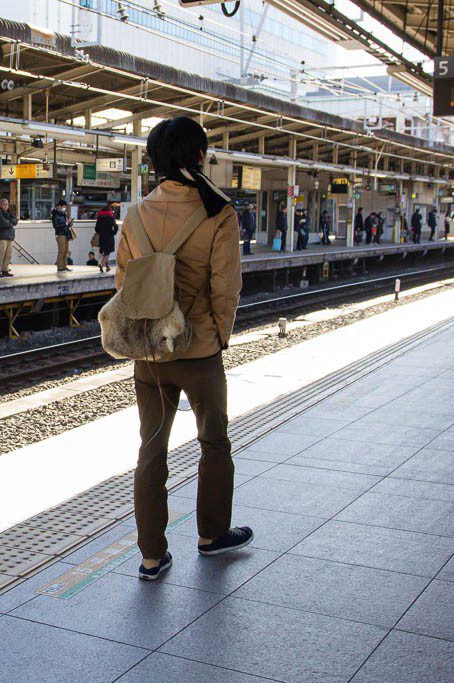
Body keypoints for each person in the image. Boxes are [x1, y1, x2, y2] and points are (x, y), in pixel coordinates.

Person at [114, 116, 249, 580]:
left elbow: (124, 284)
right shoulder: (219, 211)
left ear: (154, 159)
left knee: (151, 450)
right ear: (198, 156)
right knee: (214, 442)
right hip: (200, 352)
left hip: (150, 354)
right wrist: (219, 337)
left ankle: (152, 557)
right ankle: (212, 536)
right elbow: (225, 288)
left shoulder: (135, 214)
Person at [94, 203, 119, 271]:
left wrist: (100, 232)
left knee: (103, 250)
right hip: (109, 236)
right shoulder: (111, 217)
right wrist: (114, 233)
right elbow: (116, 226)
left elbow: (96, 228)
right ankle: (102, 264)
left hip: (102, 237)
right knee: (108, 251)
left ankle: (107, 266)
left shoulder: (100, 218)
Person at [51, 200, 73, 272]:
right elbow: (56, 225)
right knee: (61, 251)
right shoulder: (55, 214)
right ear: (59, 206)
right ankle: (59, 267)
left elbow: (66, 224)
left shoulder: (64, 214)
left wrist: (69, 223)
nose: (65, 208)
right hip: (60, 234)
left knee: (66, 251)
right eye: (64, 206)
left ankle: (64, 266)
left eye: (65, 206)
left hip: (66, 233)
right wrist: (65, 223)